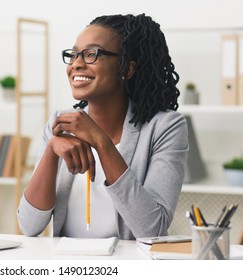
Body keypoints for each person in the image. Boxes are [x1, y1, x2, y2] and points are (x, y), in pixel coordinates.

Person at [17, 14, 188, 239]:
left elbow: (152, 230)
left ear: (127, 69)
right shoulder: (60, 124)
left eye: (91, 54)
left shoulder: (165, 127)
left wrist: (101, 142)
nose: (77, 63)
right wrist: (51, 151)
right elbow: (29, 226)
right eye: (73, 54)